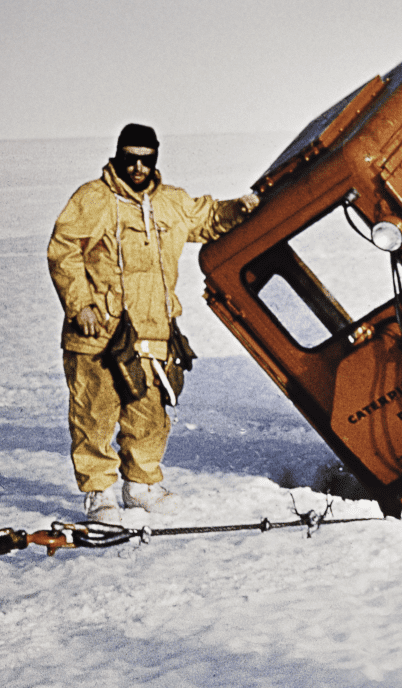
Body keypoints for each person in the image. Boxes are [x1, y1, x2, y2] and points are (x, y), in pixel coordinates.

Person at [47, 123, 259, 523]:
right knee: (94, 413)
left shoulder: (171, 203)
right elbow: (63, 250)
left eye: (147, 159)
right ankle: (99, 495)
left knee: (149, 414)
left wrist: (239, 208)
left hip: (154, 332)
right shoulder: (93, 199)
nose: (139, 167)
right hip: (101, 333)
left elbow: (209, 218)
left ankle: (141, 486)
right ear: (118, 155)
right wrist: (81, 306)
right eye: (131, 158)